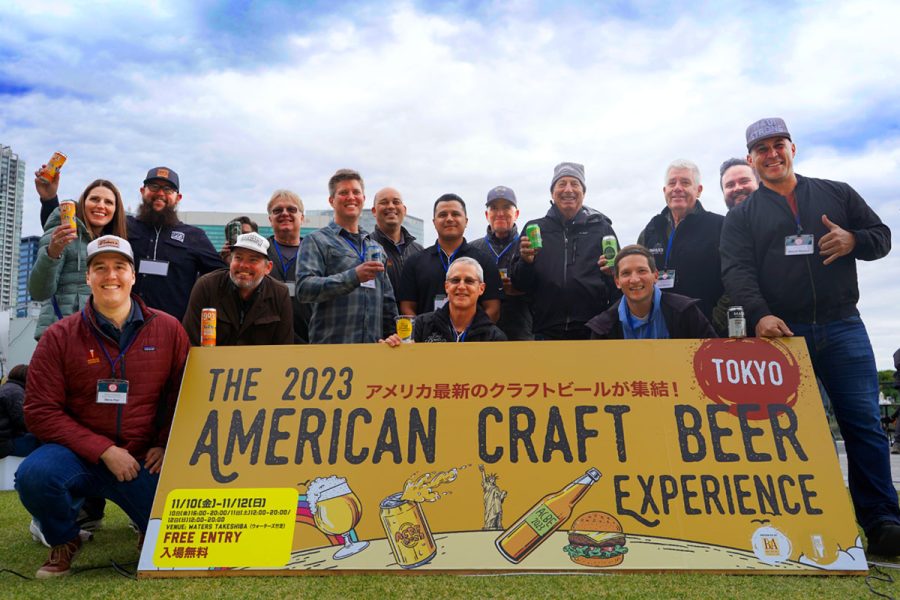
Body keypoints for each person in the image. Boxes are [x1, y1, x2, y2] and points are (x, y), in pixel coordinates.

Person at [720, 117, 900, 555]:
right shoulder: (743, 216)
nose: (772, 154)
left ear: (793, 148)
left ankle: (881, 521)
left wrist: (854, 239)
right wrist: (760, 316)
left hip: (843, 326)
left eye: (778, 145)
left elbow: (883, 237)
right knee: (786, 432)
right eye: (761, 149)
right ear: (751, 159)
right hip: (782, 334)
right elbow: (737, 273)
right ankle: (796, 521)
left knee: (863, 426)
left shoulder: (836, 192)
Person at [15, 235, 190, 578]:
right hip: (77, 454)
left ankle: (146, 528)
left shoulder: (169, 329)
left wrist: (165, 442)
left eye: (119, 267)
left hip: (142, 457)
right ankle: (64, 538)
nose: (111, 275)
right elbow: (38, 410)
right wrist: (104, 449)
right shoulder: (59, 335)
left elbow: (183, 395)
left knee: (167, 526)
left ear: (133, 276)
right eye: (100, 268)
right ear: (88, 278)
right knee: (35, 476)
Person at [510, 162, 620, 339]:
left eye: (575, 184)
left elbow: (619, 285)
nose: (568, 189)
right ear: (552, 193)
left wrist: (611, 273)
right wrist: (526, 263)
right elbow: (520, 285)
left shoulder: (602, 229)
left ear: (583, 193)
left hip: (593, 331)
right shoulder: (535, 228)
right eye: (562, 184)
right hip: (545, 332)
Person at [297, 169, 397, 343]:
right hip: (332, 353)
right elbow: (304, 289)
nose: (351, 197)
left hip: (373, 352)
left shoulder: (376, 248)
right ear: (331, 201)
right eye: (343, 192)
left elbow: (387, 303)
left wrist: (392, 336)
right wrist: (354, 276)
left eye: (356, 192)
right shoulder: (316, 241)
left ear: (363, 199)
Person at [29, 178, 128, 340]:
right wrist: (52, 253)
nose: (101, 206)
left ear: (116, 210)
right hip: (62, 337)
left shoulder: (114, 244)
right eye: (94, 199)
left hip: (101, 337)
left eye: (109, 202)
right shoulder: (61, 232)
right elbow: (39, 292)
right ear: (83, 203)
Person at [637, 160, 725, 321]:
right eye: (672, 183)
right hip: (659, 327)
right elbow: (637, 276)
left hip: (705, 328)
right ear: (665, 191)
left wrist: (717, 320)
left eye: (685, 182)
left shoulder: (720, 226)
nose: (677, 188)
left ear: (698, 190)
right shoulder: (651, 230)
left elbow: (734, 278)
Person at [397, 194, 502, 322]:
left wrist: (471, 334)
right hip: (426, 340)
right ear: (434, 222)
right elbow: (407, 307)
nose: (449, 219)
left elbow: (493, 308)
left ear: (466, 221)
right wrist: (422, 333)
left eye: (455, 214)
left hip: (472, 340)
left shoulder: (484, 261)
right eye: (442, 215)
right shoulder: (415, 262)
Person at [182, 232, 293, 346]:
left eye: (253, 260)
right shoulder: (206, 286)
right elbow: (190, 342)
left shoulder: (280, 293)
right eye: (238, 258)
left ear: (268, 267)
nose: (243, 265)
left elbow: (283, 348)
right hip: (212, 363)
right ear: (230, 261)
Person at [586, 245, 715, 339]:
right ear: (617, 281)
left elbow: (712, 355)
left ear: (655, 276)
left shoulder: (686, 312)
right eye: (626, 273)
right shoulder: (602, 327)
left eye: (642, 271)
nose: (635, 279)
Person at [470, 186, 533, 340]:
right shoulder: (472, 249)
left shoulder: (528, 247)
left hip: (522, 333)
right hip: (480, 333)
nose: (500, 213)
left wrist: (520, 289)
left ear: (516, 213)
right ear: (487, 214)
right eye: (494, 208)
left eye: (506, 207)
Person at [712, 158, 761, 334]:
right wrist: (718, 319)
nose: (737, 188)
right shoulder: (719, 229)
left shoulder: (781, 221)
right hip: (733, 329)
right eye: (730, 185)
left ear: (759, 182)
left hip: (785, 324)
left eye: (744, 181)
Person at [411, 257, 506, 343]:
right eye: (455, 280)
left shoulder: (494, 337)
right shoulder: (421, 325)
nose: (461, 286)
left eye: (469, 281)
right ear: (446, 286)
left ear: (481, 289)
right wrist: (397, 346)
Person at [265, 189, 311, 343]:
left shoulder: (317, 253)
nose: (285, 213)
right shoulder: (258, 253)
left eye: (291, 209)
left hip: (310, 340)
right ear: (270, 218)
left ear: (302, 217)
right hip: (266, 341)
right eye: (277, 210)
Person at [370, 187, 424, 308]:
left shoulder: (420, 251)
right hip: (378, 324)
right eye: (384, 202)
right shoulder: (364, 247)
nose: (390, 206)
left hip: (414, 325)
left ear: (404, 210)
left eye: (396, 202)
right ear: (374, 211)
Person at [0, 365, 39, 458]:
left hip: (3, 441)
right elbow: (24, 422)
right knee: (47, 445)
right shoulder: (17, 393)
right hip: (4, 445)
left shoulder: (5, 388)